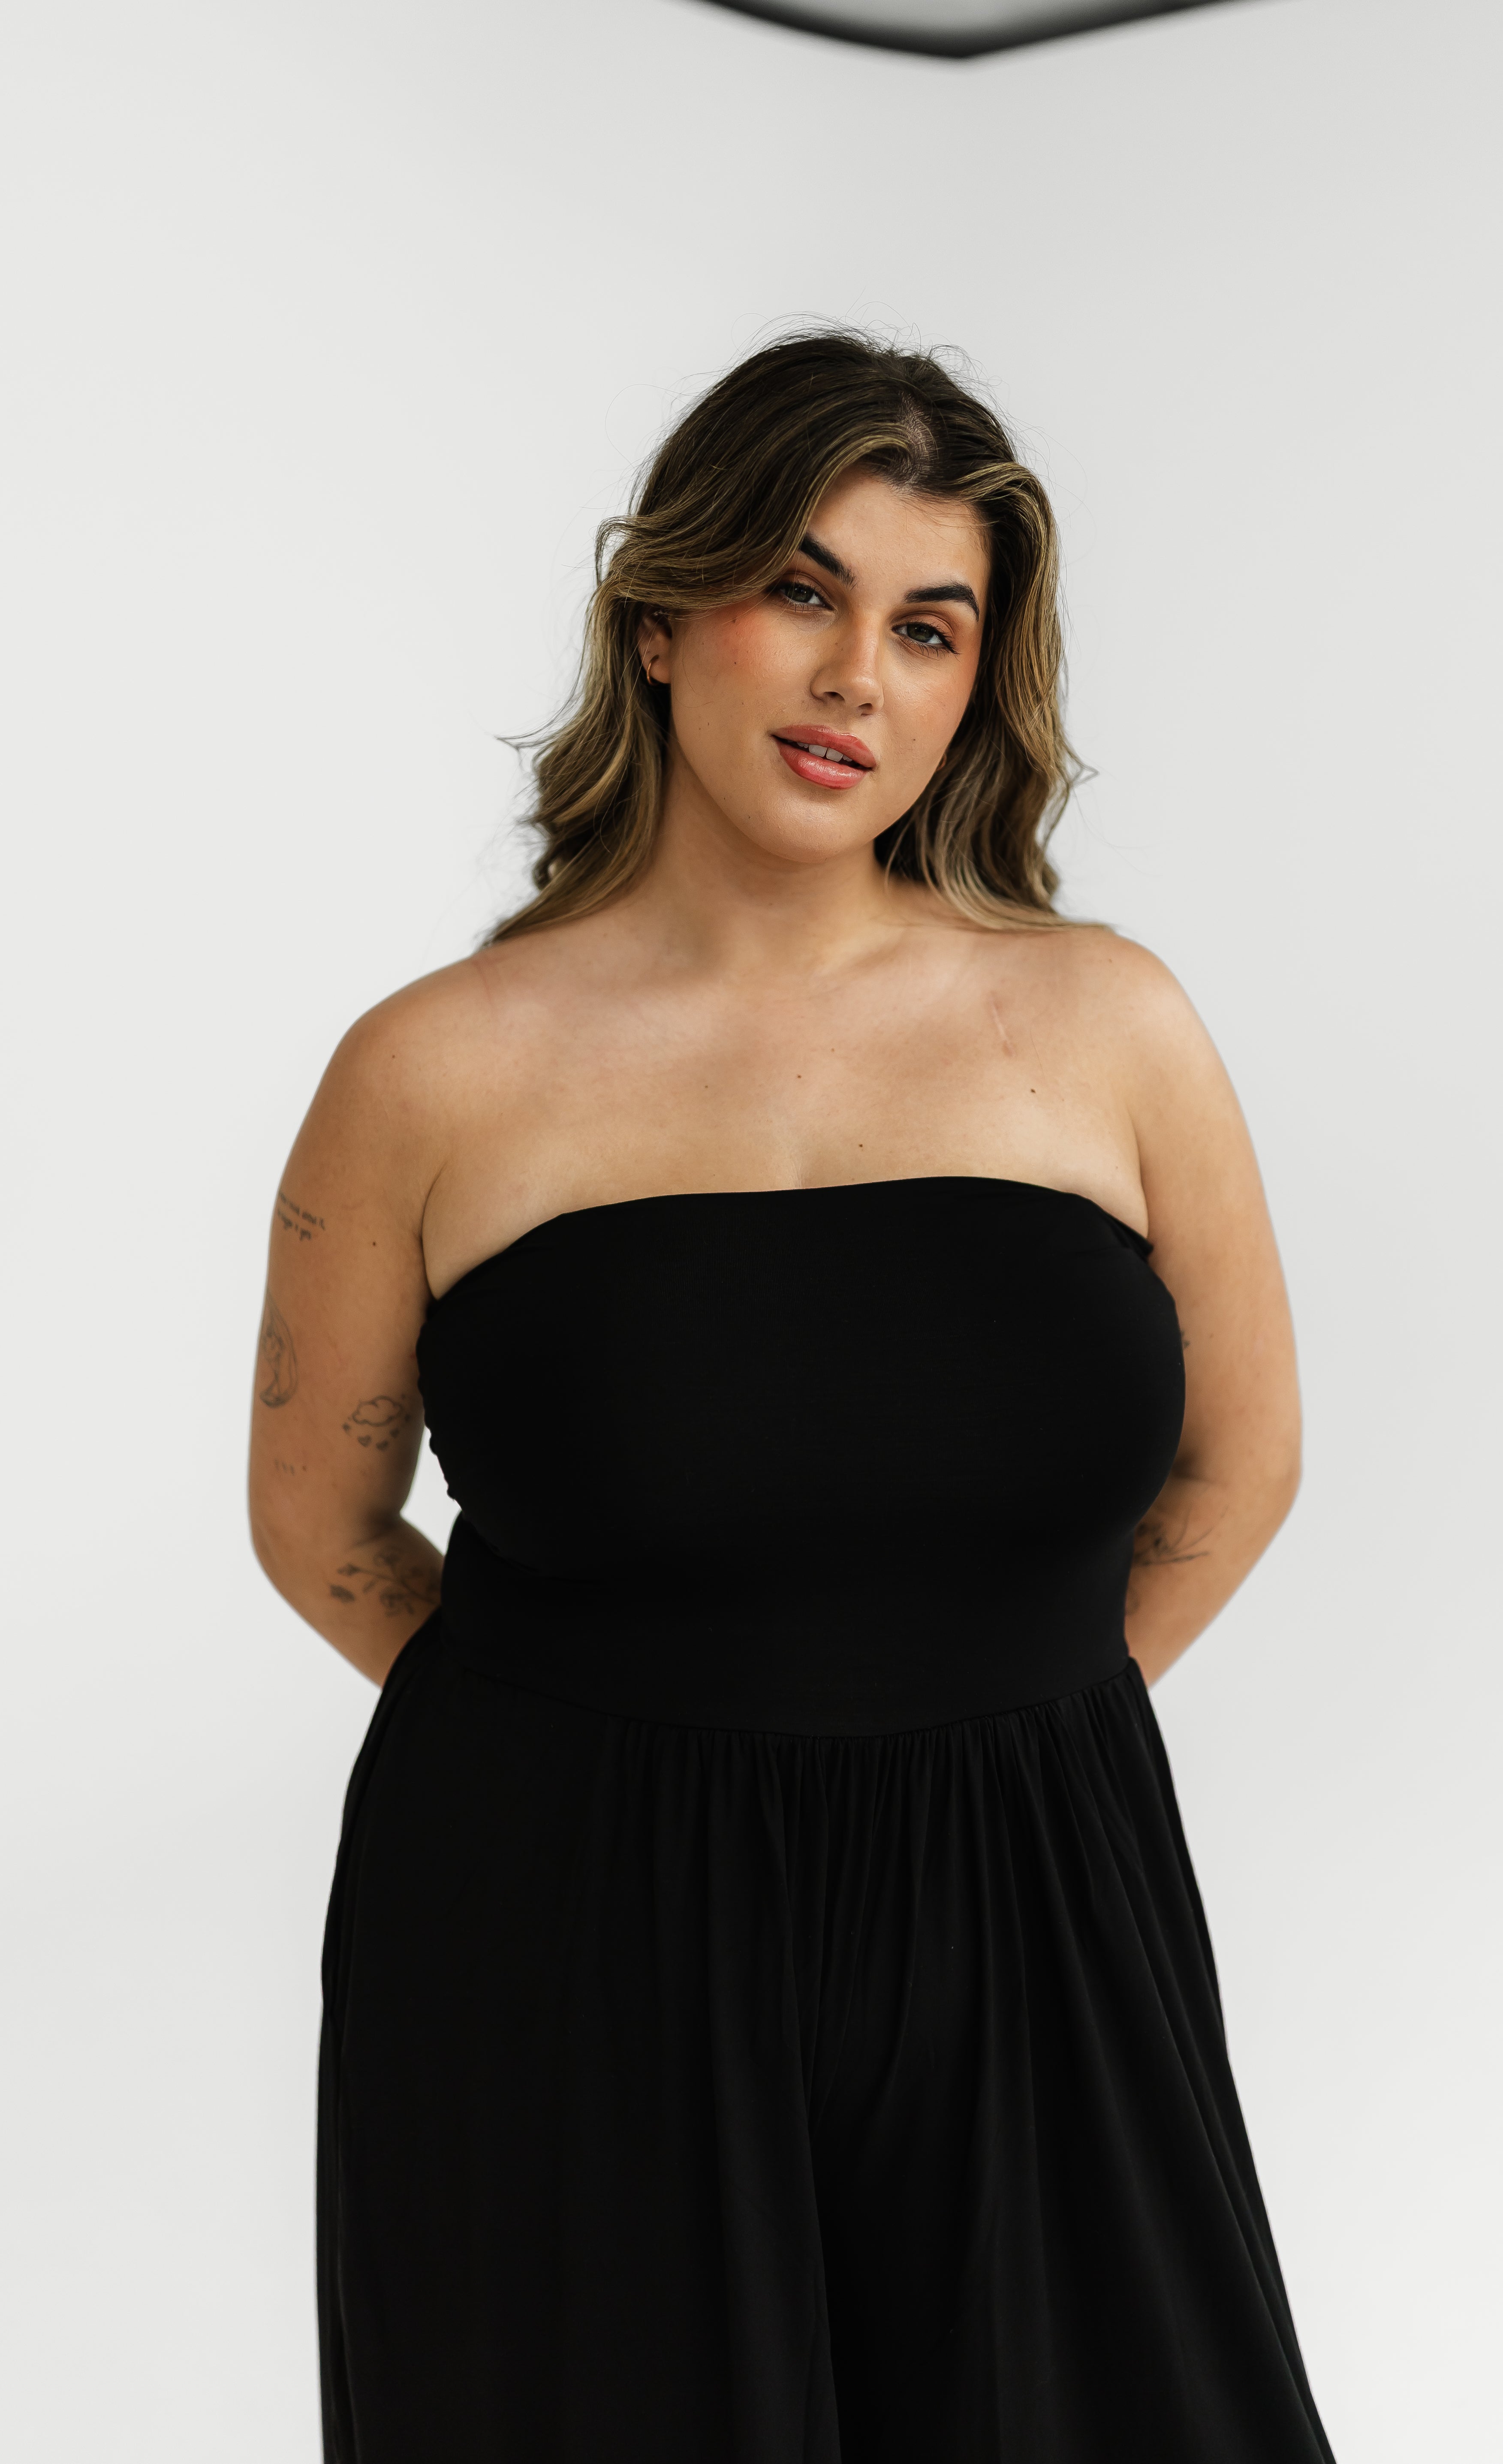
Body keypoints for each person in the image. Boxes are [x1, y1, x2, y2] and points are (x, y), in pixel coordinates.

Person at [249, 329, 1335, 2464]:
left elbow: (1244, 1456)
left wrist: (983, 1729)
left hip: (1035, 1897)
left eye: (929, 627)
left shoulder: (1108, 1028)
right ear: (661, 617)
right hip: (566, 1933)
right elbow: (320, 1525)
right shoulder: (432, 1071)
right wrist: (612, 1758)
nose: (857, 677)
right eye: (800, 589)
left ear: (976, 684)